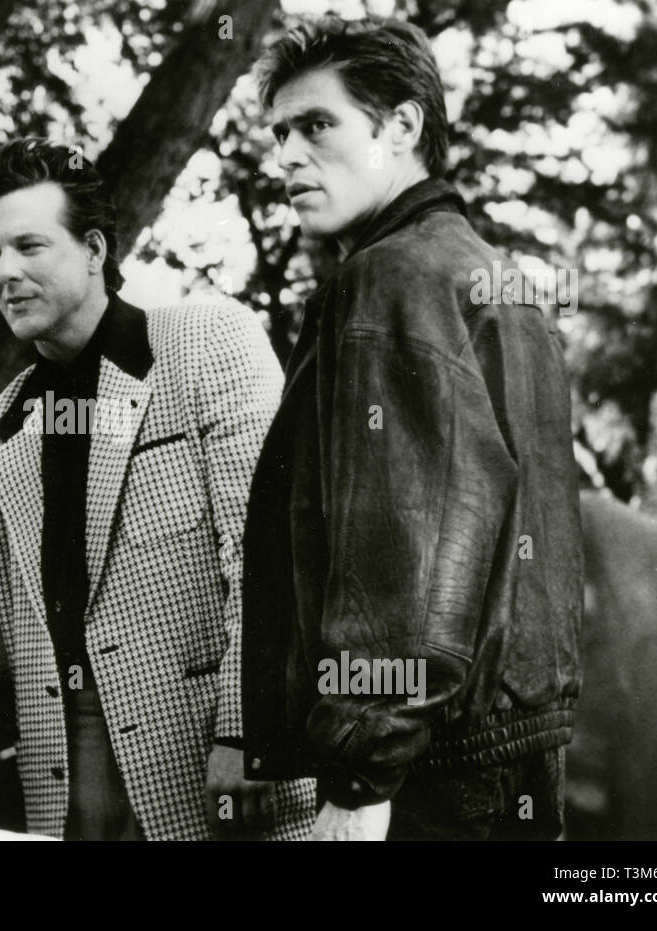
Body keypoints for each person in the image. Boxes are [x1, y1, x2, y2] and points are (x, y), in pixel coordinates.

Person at [0, 137, 316, 840]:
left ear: (96, 251)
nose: (5, 273)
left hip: (218, 765)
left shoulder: (206, 341)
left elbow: (270, 551)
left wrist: (252, 728)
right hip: (68, 782)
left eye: (29, 246)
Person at [240, 16, 583, 840]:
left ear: (401, 126)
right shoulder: (495, 277)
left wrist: (361, 776)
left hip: (424, 772)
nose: (286, 155)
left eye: (316, 125)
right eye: (280, 132)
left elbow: (403, 551)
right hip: (513, 753)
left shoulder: (389, 277)